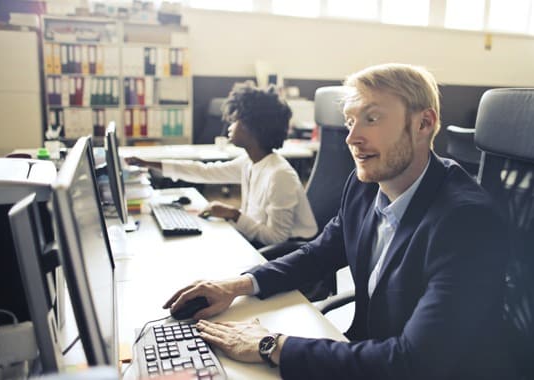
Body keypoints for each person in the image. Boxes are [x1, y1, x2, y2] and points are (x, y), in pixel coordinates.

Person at [163, 64, 510, 379]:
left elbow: (414, 361)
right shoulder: (364, 186)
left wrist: (271, 345)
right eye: (349, 121)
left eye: (372, 119)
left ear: (424, 124)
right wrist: (234, 286)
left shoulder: (465, 221)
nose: (351, 137)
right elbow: (319, 254)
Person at [127, 81, 317, 247]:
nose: (230, 126)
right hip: (258, 242)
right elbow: (204, 171)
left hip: (287, 253)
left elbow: (277, 239)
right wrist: (150, 163)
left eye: (236, 121)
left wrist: (233, 214)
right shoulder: (250, 162)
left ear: (253, 128)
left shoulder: (279, 175)